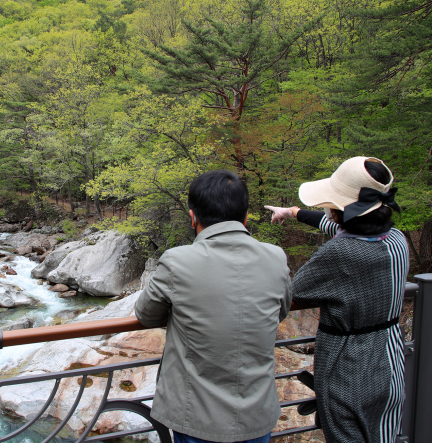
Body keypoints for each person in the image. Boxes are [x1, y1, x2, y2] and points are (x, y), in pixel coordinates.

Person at [135, 170, 292, 443]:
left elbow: (146, 315)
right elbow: (281, 311)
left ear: (193, 216)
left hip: (195, 416)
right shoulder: (276, 257)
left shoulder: (177, 261)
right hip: (257, 413)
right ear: (244, 217)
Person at [265, 156, 408, 443]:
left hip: (351, 371)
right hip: (391, 361)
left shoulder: (341, 254)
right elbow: (340, 228)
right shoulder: (396, 239)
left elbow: (294, 292)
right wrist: (293, 212)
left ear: (343, 211)